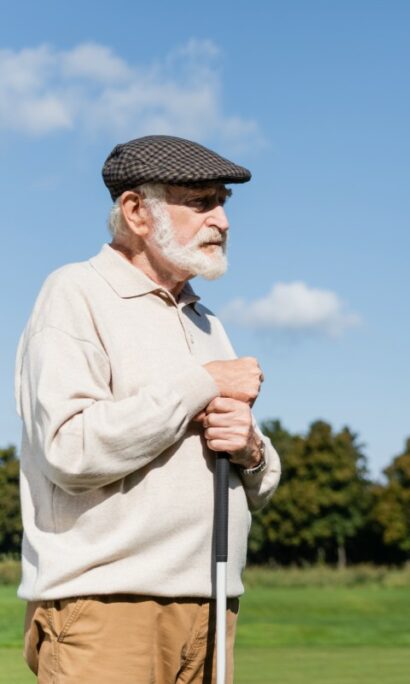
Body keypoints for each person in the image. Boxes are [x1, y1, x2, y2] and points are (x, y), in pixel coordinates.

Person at [17, 135, 281, 683]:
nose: (222, 222)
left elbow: (254, 476)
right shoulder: (75, 293)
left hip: (212, 606)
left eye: (222, 204)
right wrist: (199, 387)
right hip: (109, 608)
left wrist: (253, 449)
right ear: (137, 211)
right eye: (202, 202)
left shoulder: (206, 320)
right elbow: (70, 449)